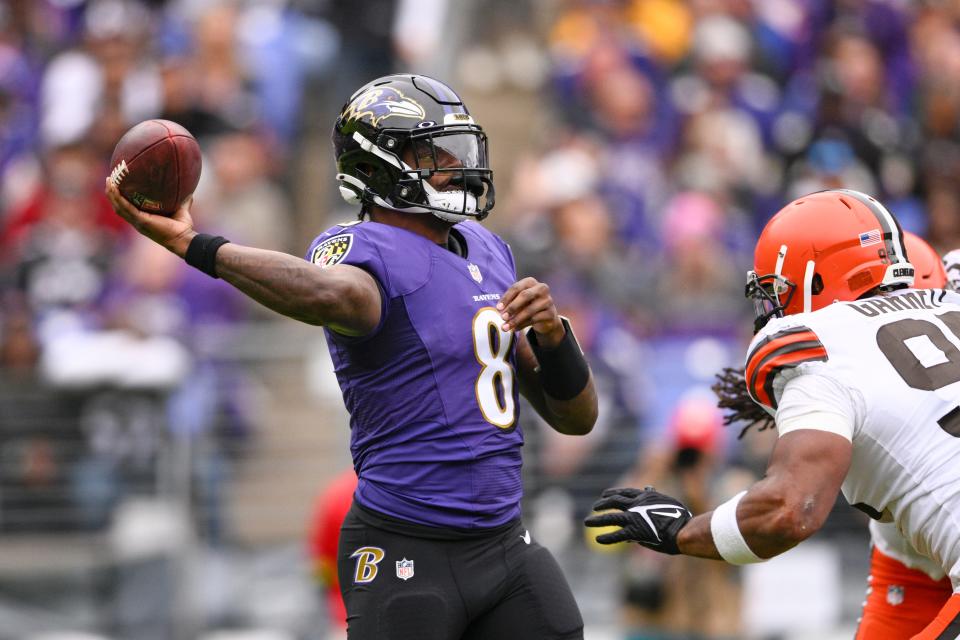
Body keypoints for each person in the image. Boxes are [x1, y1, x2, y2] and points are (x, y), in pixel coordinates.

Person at [105, 73, 597, 640]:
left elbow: (575, 417)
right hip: (408, 546)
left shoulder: (488, 249)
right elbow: (331, 294)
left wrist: (553, 336)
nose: (452, 164)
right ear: (377, 168)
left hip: (504, 542)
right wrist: (197, 246)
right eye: (430, 153)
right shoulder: (362, 251)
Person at [585, 189, 960, 639]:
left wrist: (681, 532)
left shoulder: (824, 350)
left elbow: (789, 510)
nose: (770, 307)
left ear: (818, 277)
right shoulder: (947, 303)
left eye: (775, 290)